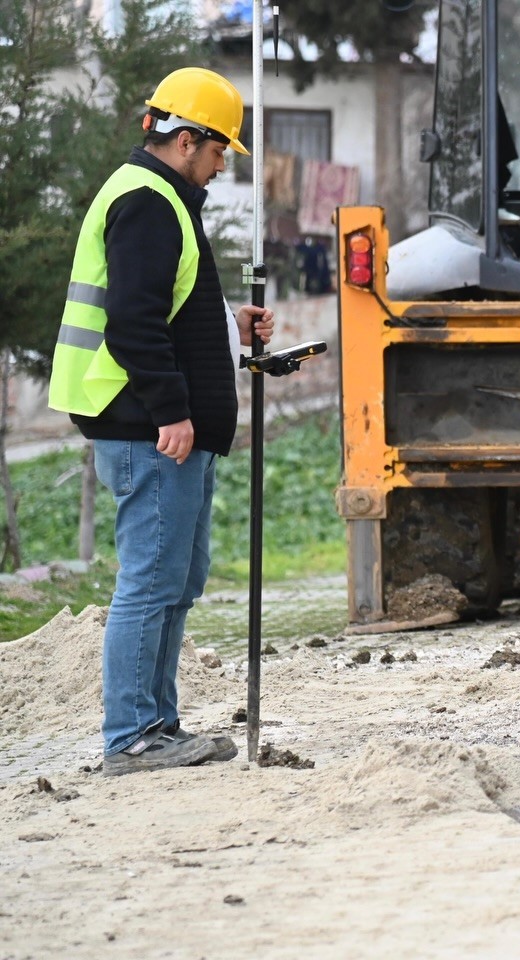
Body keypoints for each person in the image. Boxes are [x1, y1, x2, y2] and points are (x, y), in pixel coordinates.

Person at [48, 67, 275, 777]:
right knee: (150, 581)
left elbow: (167, 308)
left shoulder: (163, 199)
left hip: (158, 428)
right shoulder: (147, 201)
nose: (218, 165)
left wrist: (227, 326)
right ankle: (133, 733)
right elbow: (134, 322)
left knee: (176, 579)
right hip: (144, 428)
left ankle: (157, 722)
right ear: (185, 139)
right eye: (216, 152)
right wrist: (172, 412)